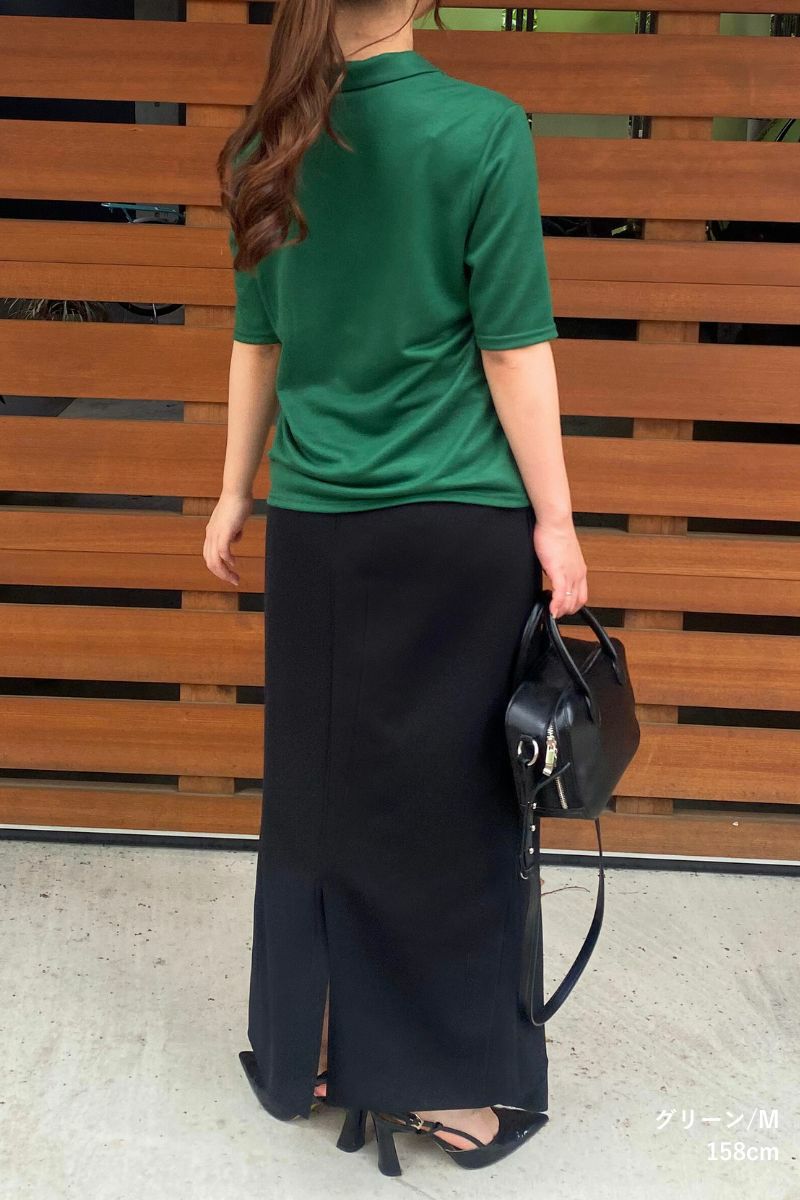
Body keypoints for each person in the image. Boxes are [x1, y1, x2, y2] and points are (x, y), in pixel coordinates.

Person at [205, 0, 588, 1178]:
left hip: (315, 525)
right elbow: (510, 347)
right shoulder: (481, 129)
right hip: (451, 521)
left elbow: (257, 340)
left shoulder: (264, 140)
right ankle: (449, 1091)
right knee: (451, 813)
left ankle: (312, 1054)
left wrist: (231, 494)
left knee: (313, 800)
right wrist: (557, 521)